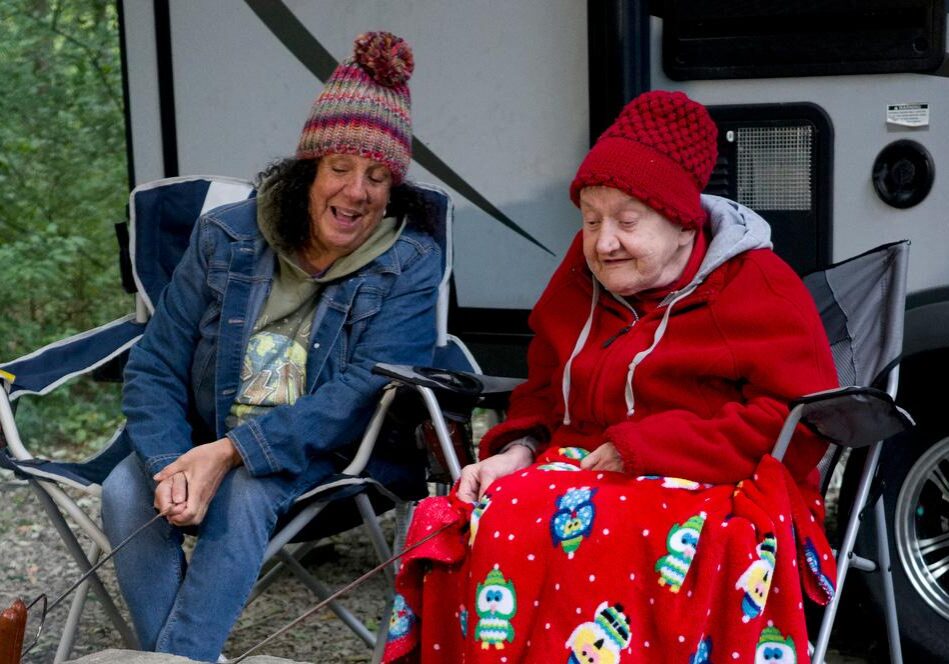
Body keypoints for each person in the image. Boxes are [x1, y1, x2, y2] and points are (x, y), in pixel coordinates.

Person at [384, 90, 840, 663]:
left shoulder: (757, 285)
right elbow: (545, 390)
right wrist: (517, 448)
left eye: (627, 221)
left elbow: (801, 423)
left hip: (712, 482)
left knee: (606, 533)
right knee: (464, 516)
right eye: (591, 219)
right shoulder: (580, 275)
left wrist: (647, 448)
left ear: (682, 223)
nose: (602, 243)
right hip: (578, 472)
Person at [100, 31, 441, 662]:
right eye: (340, 168)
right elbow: (154, 365)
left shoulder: (410, 260)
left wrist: (230, 453)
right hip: (208, 439)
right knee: (127, 489)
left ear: (393, 188)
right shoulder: (224, 238)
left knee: (248, 485)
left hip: (333, 463)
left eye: (376, 176)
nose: (356, 192)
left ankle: (176, 658)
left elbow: (363, 392)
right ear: (308, 169)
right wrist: (175, 460)